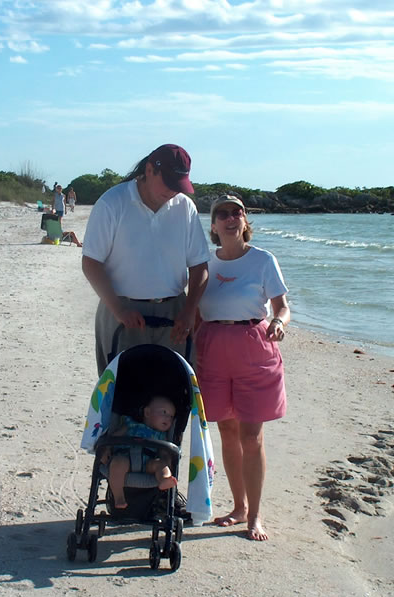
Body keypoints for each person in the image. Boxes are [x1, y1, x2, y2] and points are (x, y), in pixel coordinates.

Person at [195, 194, 289, 541]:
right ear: (214, 226)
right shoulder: (205, 263)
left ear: (245, 221)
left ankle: (255, 516)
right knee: (228, 432)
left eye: (238, 212)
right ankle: (238, 507)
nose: (231, 218)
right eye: (223, 214)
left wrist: (279, 323)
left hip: (255, 346)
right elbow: (193, 311)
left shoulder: (263, 260)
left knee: (252, 436)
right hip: (213, 349)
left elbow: (281, 306)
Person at [82, 144, 210, 375]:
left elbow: (200, 266)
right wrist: (119, 309)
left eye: (178, 186)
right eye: (168, 183)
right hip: (121, 310)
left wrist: (190, 310)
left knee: (172, 394)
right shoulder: (112, 203)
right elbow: (91, 263)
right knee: (122, 393)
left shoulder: (185, 207)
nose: (172, 192)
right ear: (150, 170)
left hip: (175, 314)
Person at [101, 395, 178, 509]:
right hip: (125, 457)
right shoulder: (130, 425)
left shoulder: (162, 436)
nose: (168, 418)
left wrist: (167, 461)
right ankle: (118, 497)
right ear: (147, 412)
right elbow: (113, 437)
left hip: (148, 463)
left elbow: (164, 453)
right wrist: (106, 449)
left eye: (171, 416)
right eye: (164, 413)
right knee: (118, 463)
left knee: (160, 465)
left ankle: (164, 479)